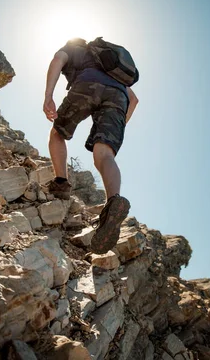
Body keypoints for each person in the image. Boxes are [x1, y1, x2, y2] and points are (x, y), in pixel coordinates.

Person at [42, 38, 139, 254]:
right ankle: (112, 202)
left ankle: (61, 183)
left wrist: (48, 96)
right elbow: (134, 99)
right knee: (105, 154)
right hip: (118, 98)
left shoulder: (73, 49)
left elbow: (58, 59)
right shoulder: (110, 65)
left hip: (87, 84)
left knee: (58, 133)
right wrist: (118, 125)